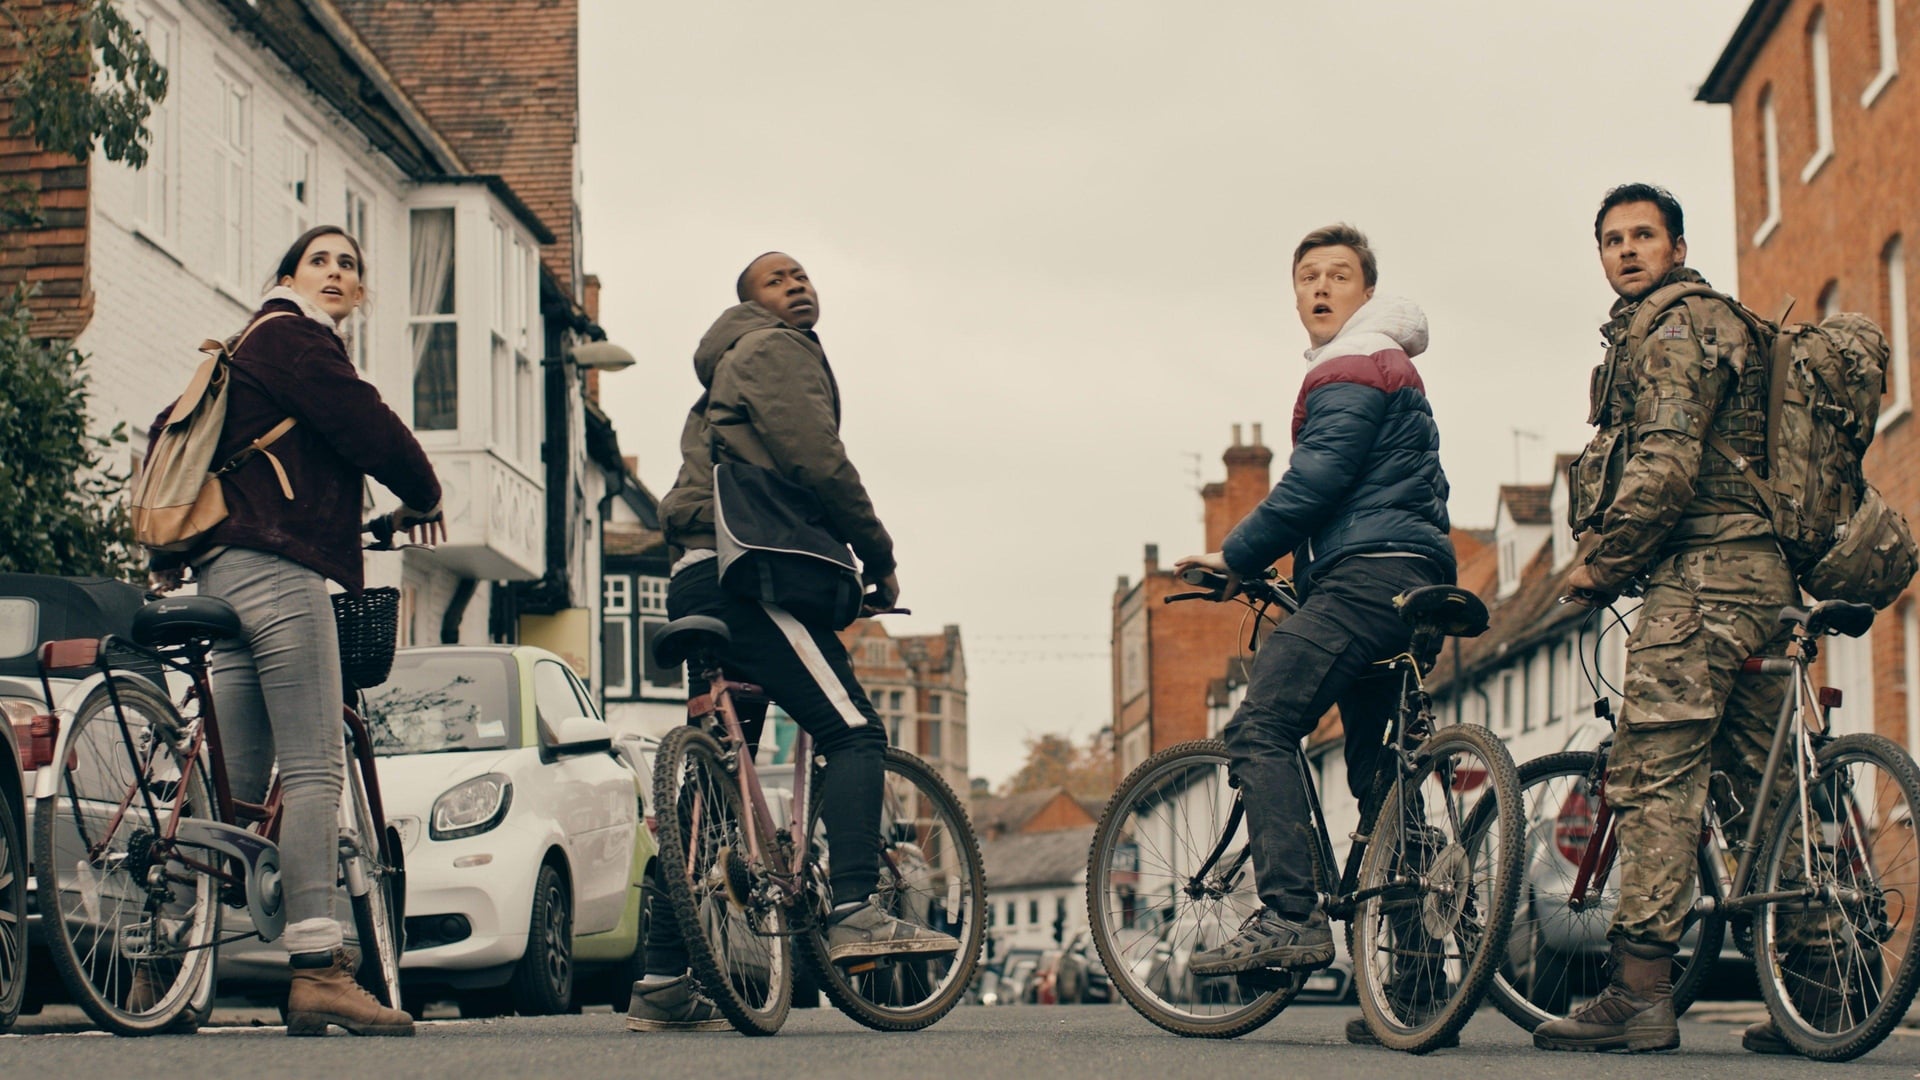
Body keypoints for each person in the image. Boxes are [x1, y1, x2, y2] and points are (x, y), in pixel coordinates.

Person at [628, 252, 959, 1032]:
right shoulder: (775, 349)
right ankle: (851, 907)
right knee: (853, 730)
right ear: (751, 305)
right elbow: (818, 459)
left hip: (698, 580)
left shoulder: (716, 378)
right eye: (778, 279)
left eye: (804, 275)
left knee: (703, 793)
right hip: (751, 584)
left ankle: (663, 977)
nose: (798, 284)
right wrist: (878, 555)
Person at [147, 225, 444, 1037]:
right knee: (315, 766)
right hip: (278, 574)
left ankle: (159, 951)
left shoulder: (248, 346)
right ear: (289, 276)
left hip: (223, 573)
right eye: (322, 260)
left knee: (231, 789)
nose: (338, 272)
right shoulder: (298, 338)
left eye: (351, 265)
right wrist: (422, 491)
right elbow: (369, 427)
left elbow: (164, 428)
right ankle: (319, 967)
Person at [1534, 184, 1799, 1055]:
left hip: (1699, 587)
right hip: (1768, 580)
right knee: (1761, 788)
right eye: (1611, 239)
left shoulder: (1672, 327)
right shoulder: (1736, 325)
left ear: (1677, 247)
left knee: (1656, 780)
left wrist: (1601, 564)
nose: (1626, 250)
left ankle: (1641, 994)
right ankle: (1826, 983)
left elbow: (1668, 462)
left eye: (1643, 235)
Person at [1174, 225, 1456, 1046]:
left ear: (1367, 295)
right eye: (1308, 277)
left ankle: (1289, 914)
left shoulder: (1350, 363)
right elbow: (1378, 489)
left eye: (1339, 275)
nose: (1322, 288)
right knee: (1380, 776)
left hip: (1366, 579)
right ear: (1295, 295)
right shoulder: (1396, 369)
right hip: (1415, 579)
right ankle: (1415, 985)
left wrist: (1235, 556)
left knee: (1261, 724)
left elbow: (1318, 480)